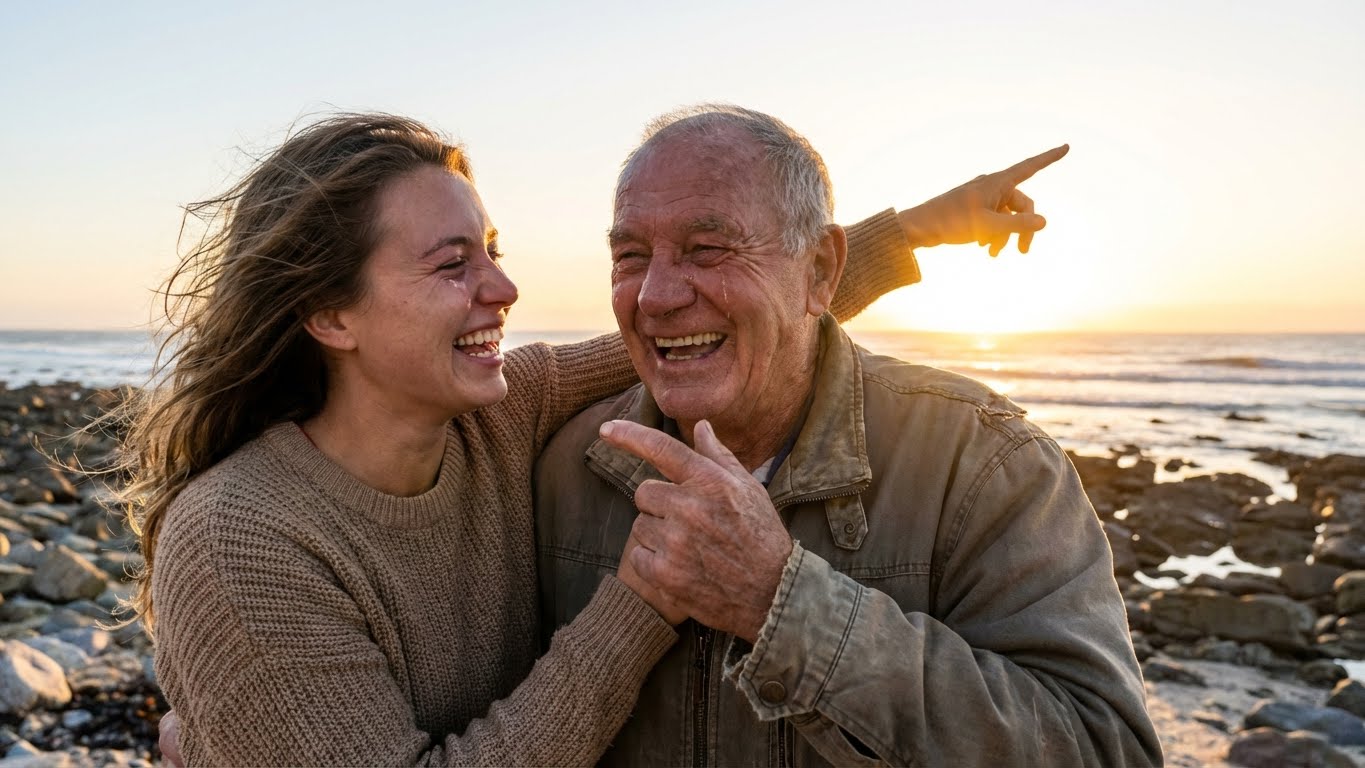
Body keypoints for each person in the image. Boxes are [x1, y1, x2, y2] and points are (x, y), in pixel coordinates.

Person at [131, 112, 1063, 766]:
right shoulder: (242, 539)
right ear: (330, 313)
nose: (501, 289)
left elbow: (694, 333)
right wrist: (645, 597)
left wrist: (923, 228)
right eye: (453, 265)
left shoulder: (499, 417)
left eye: (492, 249)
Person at [534, 104, 1163, 766]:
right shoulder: (561, 470)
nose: (654, 296)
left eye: (707, 248)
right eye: (629, 255)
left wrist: (780, 602)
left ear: (818, 272)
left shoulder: (982, 462)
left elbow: (1103, 749)